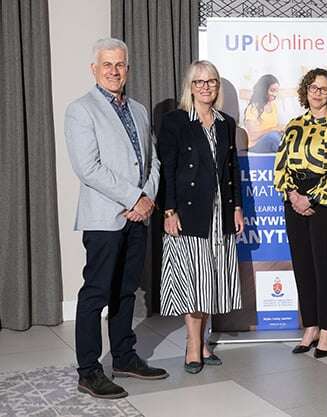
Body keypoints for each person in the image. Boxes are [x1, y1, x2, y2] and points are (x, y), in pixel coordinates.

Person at [64, 38, 167, 399]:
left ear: (128, 68)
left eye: (120, 64)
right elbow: (88, 168)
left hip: (137, 217)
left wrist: (148, 198)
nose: (114, 70)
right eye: (107, 64)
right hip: (104, 219)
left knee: (126, 292)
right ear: (94, 69)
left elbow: (153, 159)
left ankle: (124, 356)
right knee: (96, 294)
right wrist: (134, 196)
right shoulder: (80, 110)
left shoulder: (138, 110)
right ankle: (89, 371)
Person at [158, 60, 244, 374]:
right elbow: (167, 169)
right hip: (189, 213)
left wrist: (236, 207)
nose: (205, 87)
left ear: (217, 86)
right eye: (199, 82)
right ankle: (192, 346)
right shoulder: (175, 121)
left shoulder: (226, 122)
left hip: (219, 212)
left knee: (210, 281)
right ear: (190, 87)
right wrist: (169, 210)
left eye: (211, 82)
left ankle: (203, 342)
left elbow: (230, 169)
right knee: (194, 282)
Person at [274, 68, 327, 358]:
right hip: (294, 200)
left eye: (323, 88)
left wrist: (312, 199)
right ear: (305, 91)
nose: (317, 93)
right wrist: (294, 196)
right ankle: (310, 326)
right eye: (313, 87)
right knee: (304, 265)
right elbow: (281, 166)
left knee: (326, 267)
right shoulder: (294, 125)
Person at [243, 74, 283, 153]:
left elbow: (276, 128)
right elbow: (253, 136)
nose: (275, 94)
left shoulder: (273, 106)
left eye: (276, 91)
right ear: (264, 90)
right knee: (273, 137)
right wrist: (273, 129)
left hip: (272, 140)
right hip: (255, 145)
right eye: (272, 90)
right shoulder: (252, 108)